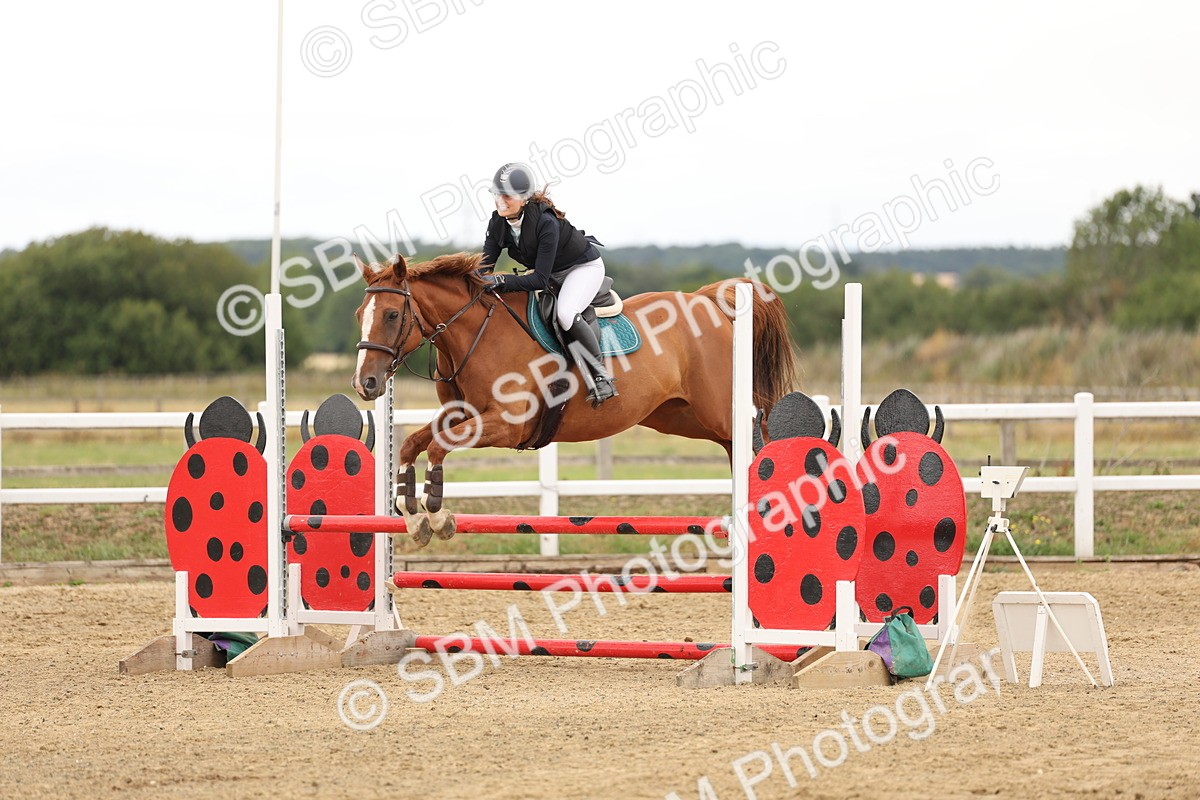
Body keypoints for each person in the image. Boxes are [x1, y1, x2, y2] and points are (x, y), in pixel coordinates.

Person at [480, 162, 618, 405]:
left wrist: (501, 279)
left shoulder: (545, 222)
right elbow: (484, 268)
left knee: (566, 313)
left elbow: (538, 279)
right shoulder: (497, 222)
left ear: (524, 198)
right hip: (552, 272)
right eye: (497, 194)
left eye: (507, 195)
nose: (500, 201)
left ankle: (601, 376)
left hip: (582, 268)